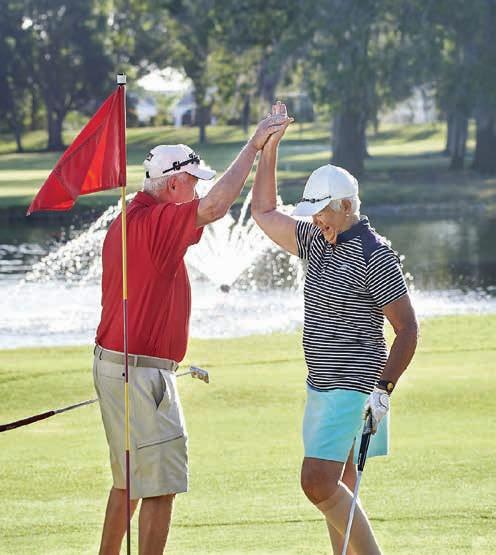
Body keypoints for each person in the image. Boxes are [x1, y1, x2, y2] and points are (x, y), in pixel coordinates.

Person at [93, 111, 291, 555]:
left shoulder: (133, 217)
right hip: (140, 374)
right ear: (173, 185)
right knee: (161, 487)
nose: (199, 190)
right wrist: (254, 146)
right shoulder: (154, 224)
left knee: (129, 483)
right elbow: (216, 207)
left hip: (118, 366)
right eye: (194, 182)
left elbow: (206, 209)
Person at [251, 102, 419, 554]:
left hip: (355, 387)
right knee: (338, 491)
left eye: (322, 212)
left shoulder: (374, 254)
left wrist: (384, 389)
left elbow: (407, 329)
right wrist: (270, 148)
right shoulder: (315, 240)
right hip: (320, 386)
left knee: (317, 482)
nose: (315, 220)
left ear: (346, 206)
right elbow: (263, 211)